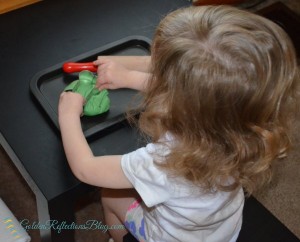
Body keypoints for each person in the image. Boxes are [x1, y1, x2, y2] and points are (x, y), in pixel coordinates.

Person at [58, 5, 299, 242]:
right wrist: (127, 75)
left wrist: (68, 114)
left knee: (110, 195)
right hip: (219, 231)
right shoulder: (245, 134)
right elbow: (190, 91)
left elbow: (85, 169)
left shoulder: (163, 164)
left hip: (169, 237)